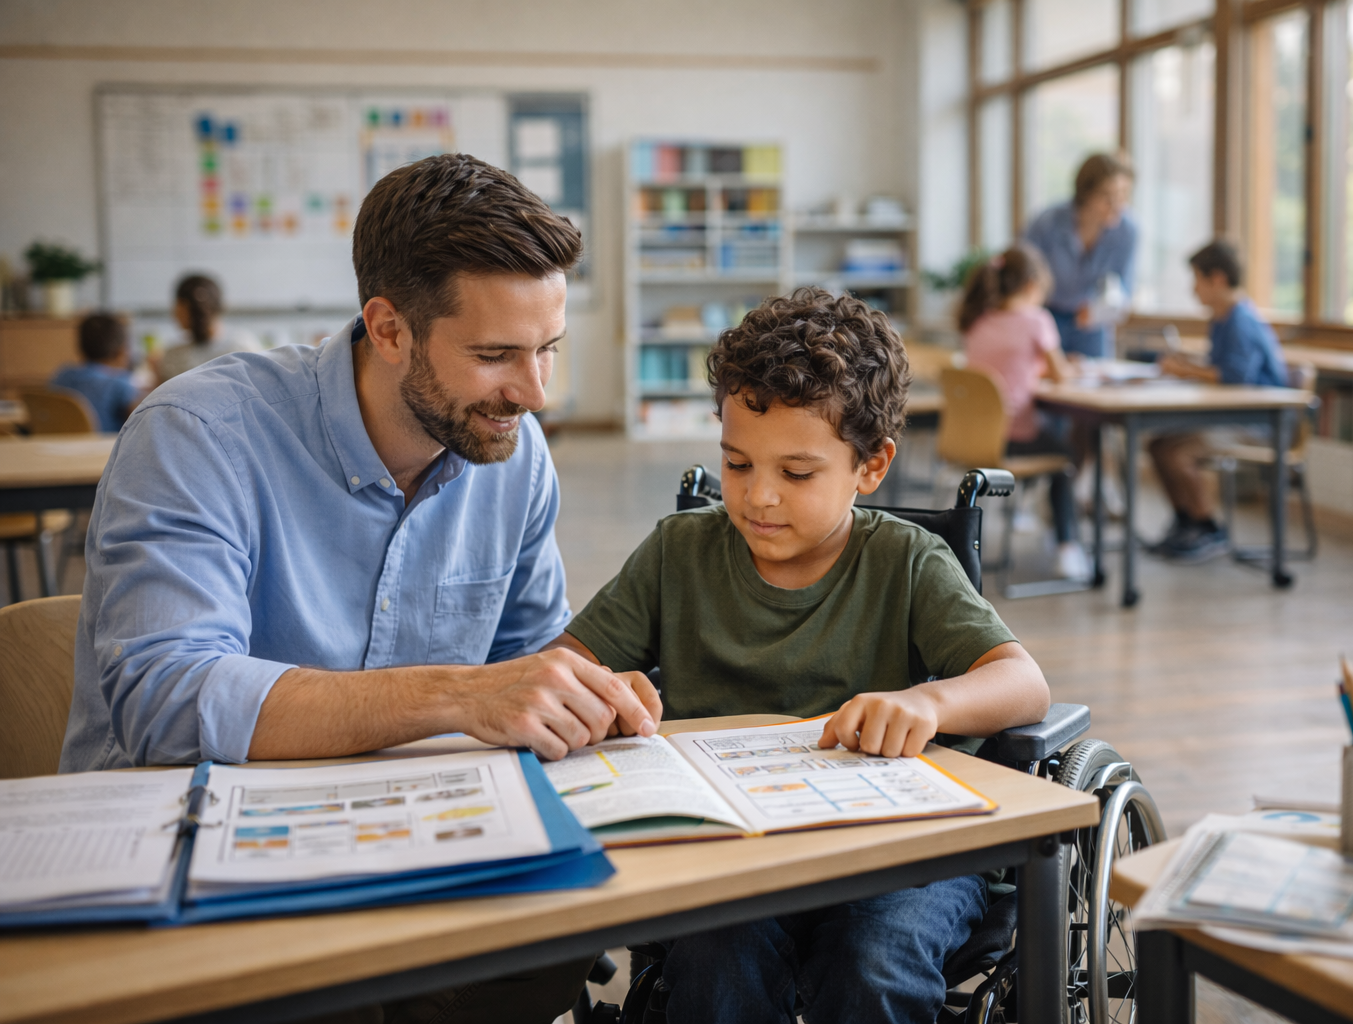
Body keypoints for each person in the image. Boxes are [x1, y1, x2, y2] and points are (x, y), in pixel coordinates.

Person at [58, 154, 660, 1024]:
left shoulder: (514, 455)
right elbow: (164, 702)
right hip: (184, 862)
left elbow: (526, 660)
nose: (534, 395)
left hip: (402, 836)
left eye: (549, 351)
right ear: (387, 329)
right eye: (495, 355)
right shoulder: (197, 435)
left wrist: (579, 698)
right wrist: (457, 694)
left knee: (553, 949)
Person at [550, 287, 1053, 1024]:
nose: (758, 497)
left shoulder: (906, 562)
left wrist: (927, 702)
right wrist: (597, 687)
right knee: (717, 965)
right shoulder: (678, 552)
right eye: (736, 463)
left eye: (796, 473)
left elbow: (1024, 682)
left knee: (873, 964)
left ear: (871, 466)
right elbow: (560, 668)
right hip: (733, 853)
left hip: (891, 854)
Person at [1149, 239, 1289, 562]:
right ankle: (1186, 521)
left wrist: (1185, 370)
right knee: (1159, 447)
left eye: (1196, 280)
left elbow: (1234, 377)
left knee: (1180, 454)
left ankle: (1208, 526)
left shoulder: (1241, 319)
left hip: (1259, 423)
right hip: (1232, 417)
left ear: (1218, 279)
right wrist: (1188, 364)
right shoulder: (1221, 318)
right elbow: (1219, 367)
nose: (1192, 289)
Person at [959, 244, 1089, 580]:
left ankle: (1028, 514)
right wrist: (1073, 369)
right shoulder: (1037, 321)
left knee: (1052, 437)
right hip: (1016, 437)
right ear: (1032, 284)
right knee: (1066, 458)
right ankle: (1067, 546)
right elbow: (1060, 375)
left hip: (975, 439)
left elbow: (1004, 371)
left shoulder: (979, 320)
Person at [1023, 152, 1138, 360]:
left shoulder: (1127, 231)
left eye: (1123, 195)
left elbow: (1124, 288)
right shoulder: (1047, 223)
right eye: (1107, 196)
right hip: (1047, 314)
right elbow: (1023, 272)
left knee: (1094, 382)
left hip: (1091, 322)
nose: (1117, 205)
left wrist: (1099, 311)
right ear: (1086, 193)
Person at [156, 273, 264, 382]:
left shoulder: (240, 347)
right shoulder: (173, 355)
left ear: (189, 308)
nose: (174, 314)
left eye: (178, 307)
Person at [50, 312, 141, 431]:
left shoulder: (62, 376)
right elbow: (141, 423)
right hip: (102, 448)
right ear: (121, 351)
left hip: (59, 446)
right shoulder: (119, 384)